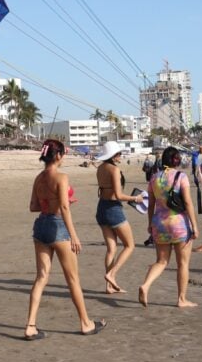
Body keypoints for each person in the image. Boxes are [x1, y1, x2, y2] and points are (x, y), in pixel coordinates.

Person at [25, 139, 106, 340]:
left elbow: (34, 206)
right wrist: (74, 235)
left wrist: (50, 202)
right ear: (58, 155)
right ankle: (86, 323)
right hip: (58, 227)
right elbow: (63, 207)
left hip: (41, 226)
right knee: (72, 279)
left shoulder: (38, 178)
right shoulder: (61, 177)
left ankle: (30, 326)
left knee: (41, 277)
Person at [138, 146, 198, 310]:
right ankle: (182, 299)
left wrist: (150, 224)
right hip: (179, 224)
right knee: (182, 263)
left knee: (161, 261)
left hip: (159, 224)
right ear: (176, 161)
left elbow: (151, 204)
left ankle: (146, 284)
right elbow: (187, 203)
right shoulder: (181, 177)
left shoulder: (154, 178)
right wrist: (194, 225)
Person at [93, 141, 137, 294]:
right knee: (129, 245)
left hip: (101, 208)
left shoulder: (100, 168)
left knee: (111, 249)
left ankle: (109, 286)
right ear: (113, 155)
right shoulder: (114, 170)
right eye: (119, 153)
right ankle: (111, 274)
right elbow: (118, 195)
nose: (120, 156)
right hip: (113, 209)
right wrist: (135, 199)